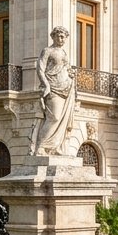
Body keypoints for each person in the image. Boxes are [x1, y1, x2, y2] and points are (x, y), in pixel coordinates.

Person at [31, 26, 77, 156]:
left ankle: (55, 148)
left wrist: (71, 73)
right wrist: (46, 85)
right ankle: (40, 146)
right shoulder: (47, 51)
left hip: (66, 89)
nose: (61, 39)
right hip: (53, 88)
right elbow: (40, 69)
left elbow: (66, 68)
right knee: (55, 117)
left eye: (64, 37)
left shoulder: (63, 53)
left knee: (62, 119)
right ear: (53, 36)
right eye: (59, 36)